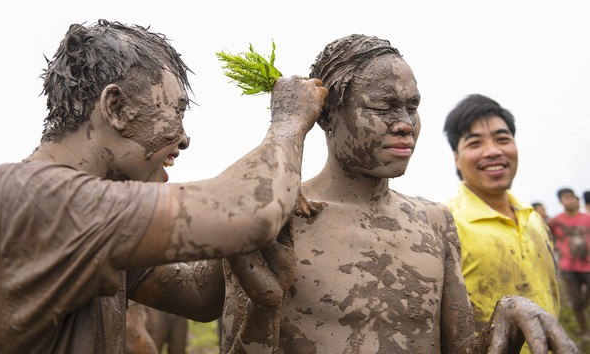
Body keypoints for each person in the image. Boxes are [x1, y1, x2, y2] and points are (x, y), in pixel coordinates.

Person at [0, 20, 328, 353]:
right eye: (176, 112)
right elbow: (252, 210)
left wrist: (242, 248)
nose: (185, 138)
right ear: (116, 108)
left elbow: (198, 296)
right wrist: (289, 122)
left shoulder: (81, 222)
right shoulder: (34, 200)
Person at [219, 34, 578, 353]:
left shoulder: (434, 222)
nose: (405, 123)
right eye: (382, 107)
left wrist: (508, 316)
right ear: (326, 115)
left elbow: (460, 348)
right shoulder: (278, 220)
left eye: (413, 106)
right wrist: (263, 307)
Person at [442, 94, 561, 351]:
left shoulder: (535, 220)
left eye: (503, 139)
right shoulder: (446, 223)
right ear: (456, 158)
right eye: (475, 143)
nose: (493, 151)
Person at [548, 188, 590, 336]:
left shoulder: (586, 218)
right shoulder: (556, 220)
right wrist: (556, 247)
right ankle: (585, 331)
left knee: (584, 300)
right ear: (561, 201)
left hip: (588, 265)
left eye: (573, 197)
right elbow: (546, 232)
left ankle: (585, 306)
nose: (571, 200)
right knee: (576, 302)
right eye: (567, 198)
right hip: (568, 267)